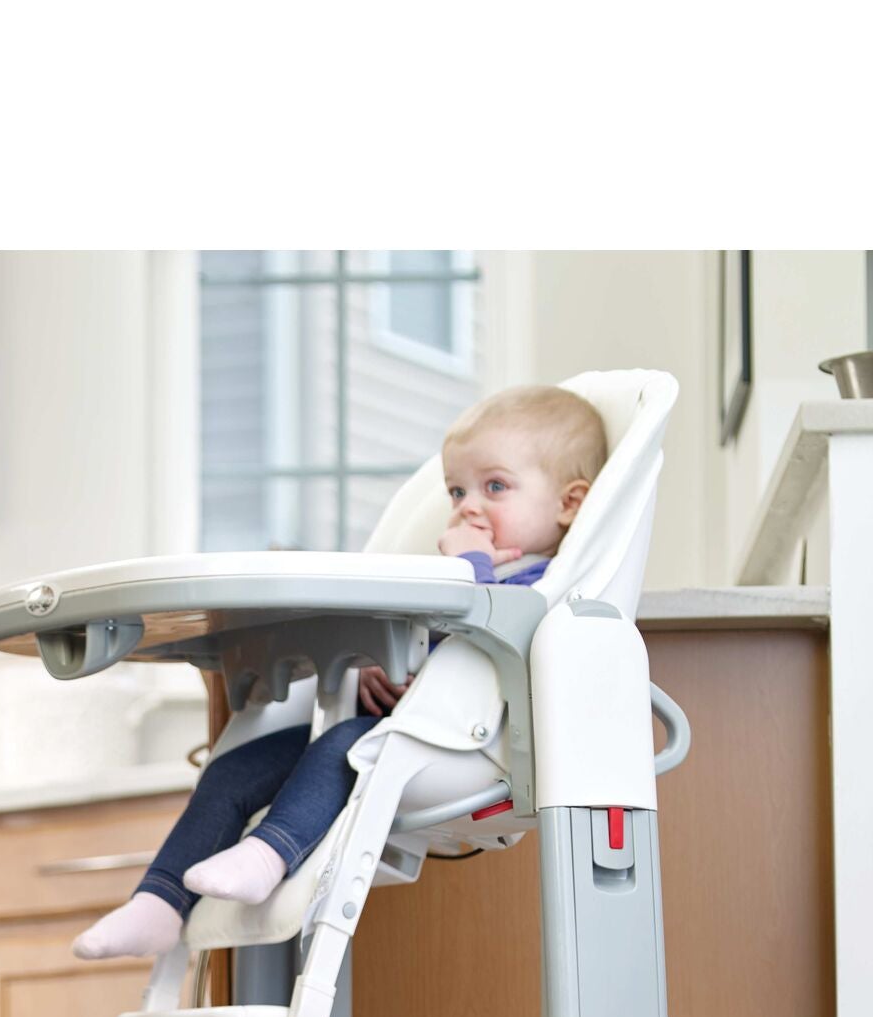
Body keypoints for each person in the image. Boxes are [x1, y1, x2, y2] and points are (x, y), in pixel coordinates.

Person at [73, 384, 607, 959]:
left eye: (495, 487)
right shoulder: (469, 570)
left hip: (458, 749)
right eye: (457, 490)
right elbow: (419, 639)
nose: (468, 506)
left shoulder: (542, 586)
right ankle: (157, 902)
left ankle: (268, 855)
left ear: (569, 503)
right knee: (235, 771)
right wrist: (369, 668)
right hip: (392, 726)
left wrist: (465, 567)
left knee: (345, 749)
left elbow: (485, 628)